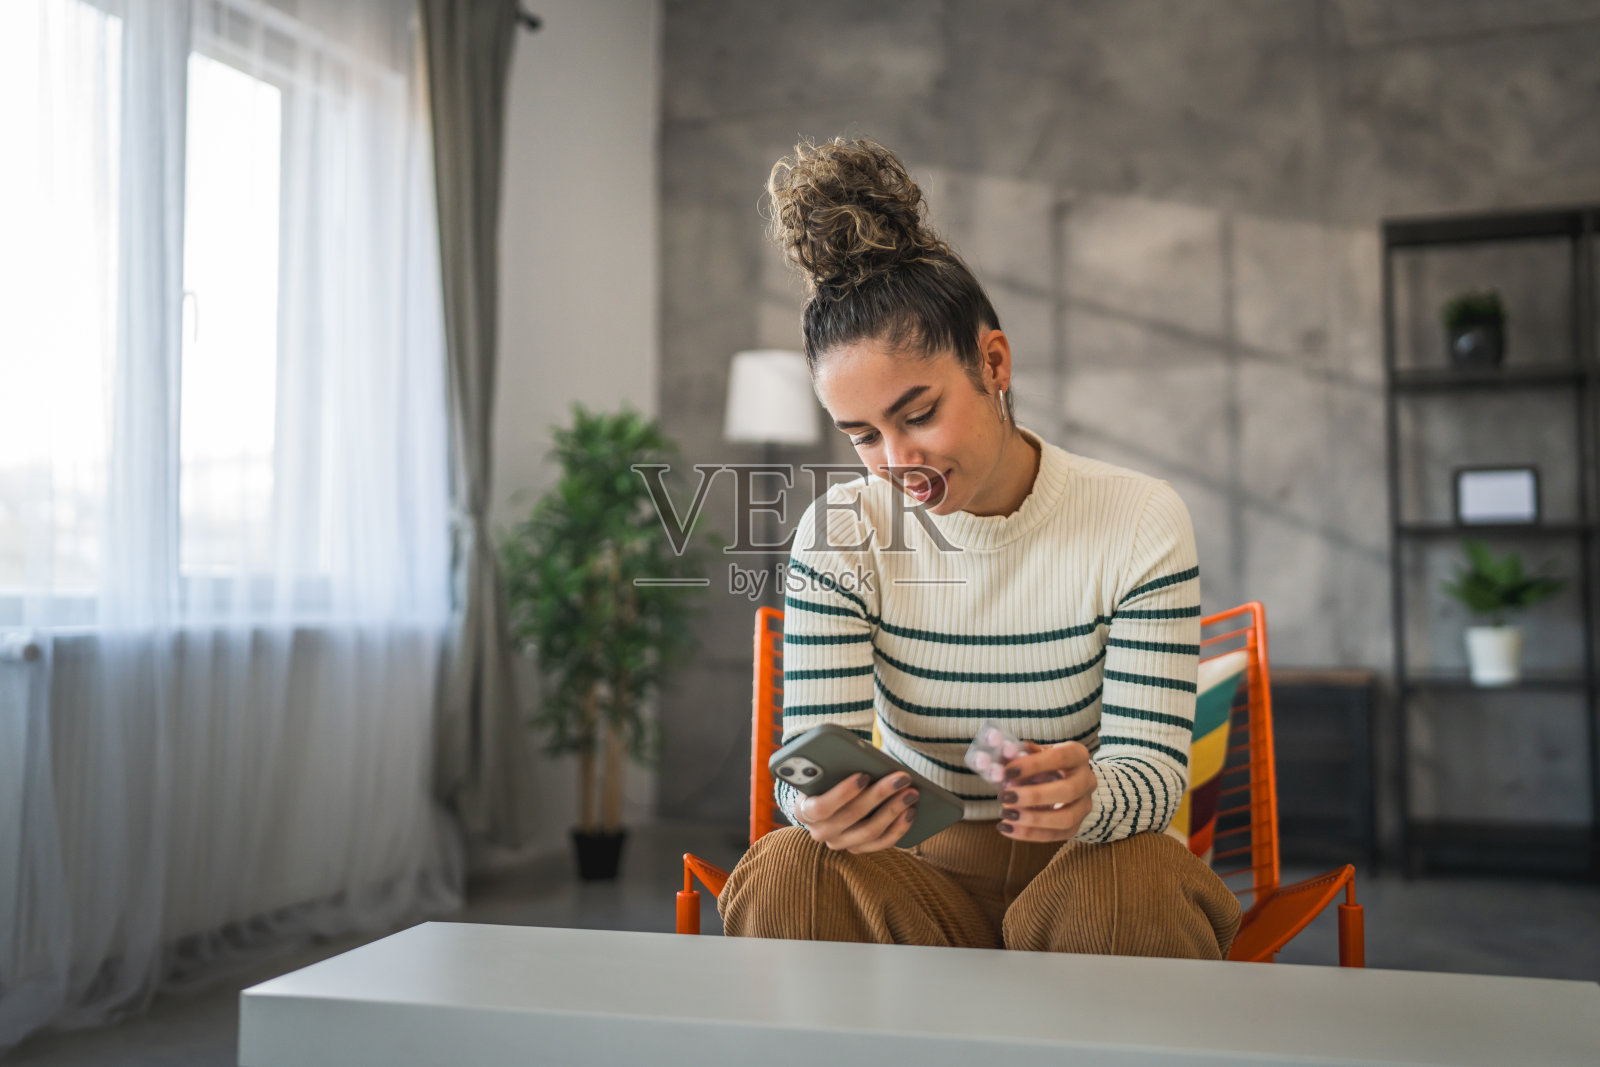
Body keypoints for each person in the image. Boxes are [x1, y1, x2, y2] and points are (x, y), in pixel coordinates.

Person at [717, 137, 1241, 959]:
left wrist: (1093, 793)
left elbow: (1153, 770)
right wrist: (814, 805)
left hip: (1087, 863)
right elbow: (809, 761)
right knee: (791, 866)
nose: (896, 461)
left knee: (1135, 880)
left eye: (917, 413)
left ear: (993, 362)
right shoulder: (839, 534)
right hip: (917, 875)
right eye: (863, 435)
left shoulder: (1139, 518)